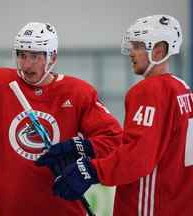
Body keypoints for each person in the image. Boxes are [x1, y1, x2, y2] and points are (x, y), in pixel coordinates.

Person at [38, 15, 193, 216]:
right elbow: (155, 144)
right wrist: (85, 147)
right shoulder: (183, 89)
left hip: (151, 207)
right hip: (179, 204)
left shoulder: (149, 91)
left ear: (159, 51)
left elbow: (138, 157)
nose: (131, 52)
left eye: (138, 46)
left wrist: (91, 170)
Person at [0, 22, 122, 216]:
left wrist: (77, 150)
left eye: (35, 56)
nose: (26, 65)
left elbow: (114, 140)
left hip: (61, 209)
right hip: (4, 210)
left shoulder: (78, 93)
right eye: (22, 55)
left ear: (52, 56)